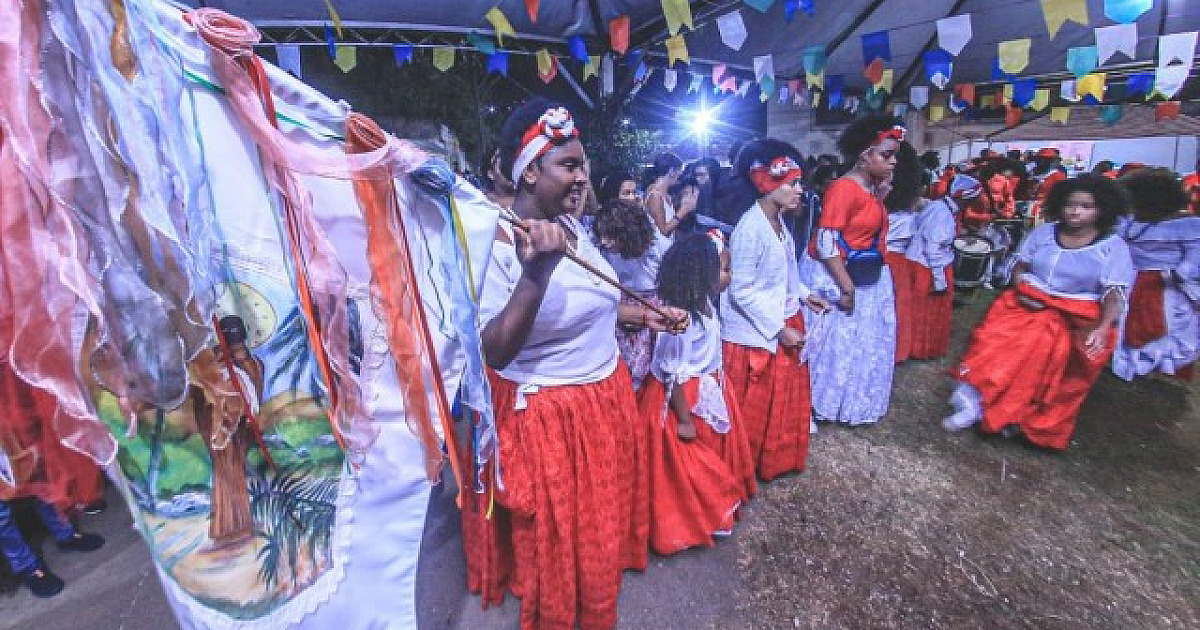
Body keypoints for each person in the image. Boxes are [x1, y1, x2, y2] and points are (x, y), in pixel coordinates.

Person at [466, 98, 688, 630]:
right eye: (569, 165)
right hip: (549, 416)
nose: (583, 177)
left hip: (602, 399)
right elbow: (494, 351)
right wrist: (534, 275)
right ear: (529, 172)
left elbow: (590, 303)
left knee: (595, 526)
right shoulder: (496, 241)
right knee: (559, 542)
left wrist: (641, 315)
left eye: (583, 165)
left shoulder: (574, 226)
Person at [945, 175, 1134, 450]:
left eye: (1086, 206)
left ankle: (1017, 417)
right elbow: (1020, 266)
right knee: (989, 347)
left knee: (1043, 356)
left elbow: (1115, 294)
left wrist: (1103, 327)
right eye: (1070, 204)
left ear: (1102, 210)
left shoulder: (1113, 248)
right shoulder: (1044, 233)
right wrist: (1022, 289)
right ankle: (975, 403)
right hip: (1026, 302)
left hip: (1076, 314)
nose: (1075, 211)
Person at [721, 139, 829, 480]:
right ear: (768, 185)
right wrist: (779, 329)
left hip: (778, 317)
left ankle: (771, 459)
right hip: (757, 330)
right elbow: (741, 289)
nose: (800, 191)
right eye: (793, 183)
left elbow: (784, 270)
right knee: (756, 404)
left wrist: (804, 293)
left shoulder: (779, 221)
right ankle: (746, 464)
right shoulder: (750, 228)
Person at [638, 232, 746, 555]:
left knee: (704, 459)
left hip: (703, 387)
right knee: (685, 466)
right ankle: (689, 518)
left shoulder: (706, 303)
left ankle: (706, 508)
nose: (723, 274)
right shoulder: (683, 318)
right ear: (701, 272)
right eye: (718, 267)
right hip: (680, 397)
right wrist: (684, 420)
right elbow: (673, 371)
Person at [799, 115, 901, 426]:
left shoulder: (870, 188)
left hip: (867, 275)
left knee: (858, 343)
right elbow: (828, 242)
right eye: (886, 155)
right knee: (833, 344)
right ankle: (817, 402)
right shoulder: (844, 188)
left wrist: (881, 197)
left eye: (894, 155)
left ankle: (844, 399)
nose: (893, 162)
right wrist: (846, 288)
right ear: (864, 155)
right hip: (841, 276)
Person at [1112, 168, 1200, 381]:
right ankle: (1164, 377)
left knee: (1131, 329)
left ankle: (1133, 372)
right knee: (1168, 332)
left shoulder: (1126, 223)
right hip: (1165, 286)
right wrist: (1182, 274)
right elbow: (1192, 262)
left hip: (1134, 282)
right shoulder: (1190, 225)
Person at [592, 196, 659, 387]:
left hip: (648, 306)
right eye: (601, 235)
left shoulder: (653, 250)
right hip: (618, 306)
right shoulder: (602, 250)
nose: (604, 242)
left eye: (610, 236)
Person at [906, 174, 972, 360]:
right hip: (928, 267)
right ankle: (920, 349)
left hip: (922, 262)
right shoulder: (942, 213)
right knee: (927, 310)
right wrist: (939, 280)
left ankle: (916, 347)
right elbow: (932, 248)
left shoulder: (937, 206)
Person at [884, 142, 923, 364]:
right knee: (898, 306)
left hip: (884, 259)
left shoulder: (876, 206)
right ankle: (897, 349)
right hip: (898, 262)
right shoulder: (910, 215)